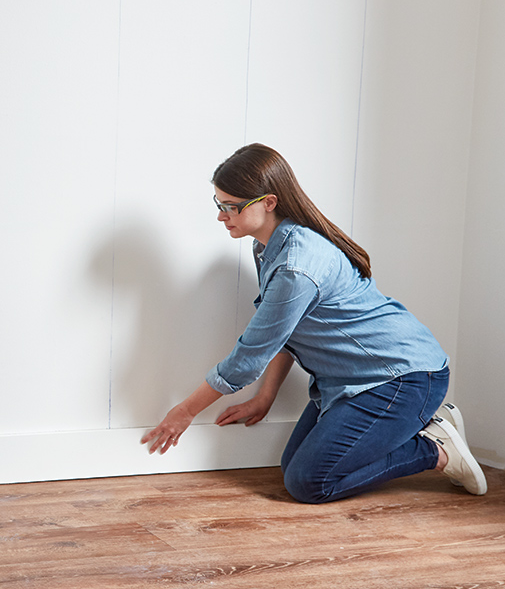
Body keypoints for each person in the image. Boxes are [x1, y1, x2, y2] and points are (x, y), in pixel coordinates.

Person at [140, 143, 486, 503]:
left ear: (268, 202)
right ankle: (425, 428)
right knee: (293, 469)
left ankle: (434, 449)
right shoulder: (268, 247)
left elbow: (247, 358)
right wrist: (267, 396)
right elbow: (284, 331)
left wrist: (184, 411)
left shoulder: (295, 264)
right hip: (350, 379)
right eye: (219, 204)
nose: (222, 216)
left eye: (231, 207)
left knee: (309, 483)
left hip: (403, 378)